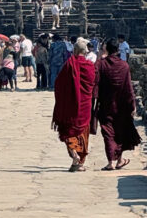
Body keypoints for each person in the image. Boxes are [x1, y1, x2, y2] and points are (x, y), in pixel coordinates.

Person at [95, 37, 142, 170]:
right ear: (118, 50)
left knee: (108, 133)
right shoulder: (124, 65)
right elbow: (128, 87)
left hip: (105, 104)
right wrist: (132, 104)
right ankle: (119, 159)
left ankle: (112, 161)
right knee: (119, 131)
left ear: (107, 49)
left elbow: (95, 83)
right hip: (121, 105)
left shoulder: (101, 64)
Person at [52, 37, 97, 172]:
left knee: (69, 130)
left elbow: (58, 84)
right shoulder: (89, 66)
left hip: (70, 104)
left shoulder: (69, 64)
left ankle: (75, 156)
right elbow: (92, 84)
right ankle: (79, 161)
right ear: (85, 51)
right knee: (82, 132)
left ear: (75, 50)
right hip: (84, 104)